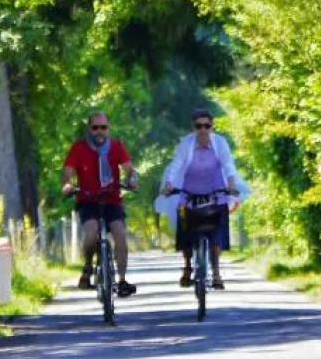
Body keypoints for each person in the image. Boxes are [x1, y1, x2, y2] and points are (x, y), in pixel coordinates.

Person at [156, 108, 248, 289]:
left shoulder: (220, 143)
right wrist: (169, 183)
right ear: (194, 128)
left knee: (215, 238)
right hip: (190, 193)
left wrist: (231, 184)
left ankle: (216, 274)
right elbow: (177, 164)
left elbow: (228, 164)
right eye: (199, 126)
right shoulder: (186, 143)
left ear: (212, 127)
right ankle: (187, 267)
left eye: (207, 126)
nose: (203, 130)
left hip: (215, 193)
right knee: (186, 232)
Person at [62, 111, 139, 296]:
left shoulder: (116, 146)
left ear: (108, 129)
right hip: (88, 199)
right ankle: (88, 267)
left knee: (120, 233)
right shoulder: (79, 148)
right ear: (89, 128)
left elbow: (129, 169)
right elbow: (68, 171)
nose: (99, 131)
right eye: (95, 127)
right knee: (91, 232)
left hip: (111, 198)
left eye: (103, 127)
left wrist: (132, 179)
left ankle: (121, 280)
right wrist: (67, 184)